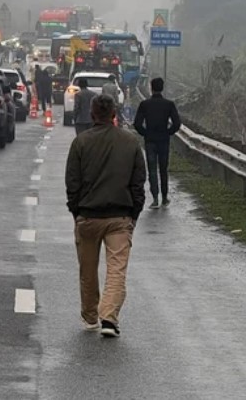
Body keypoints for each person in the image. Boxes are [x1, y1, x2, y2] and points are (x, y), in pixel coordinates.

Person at [65, 95, 146, 338]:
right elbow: (138, 183)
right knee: (116, 270)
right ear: (114, 114)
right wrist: (134, 213)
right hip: (120, 217)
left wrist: (76, 211)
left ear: (92, 114)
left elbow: (72, 182)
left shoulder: (80, 143)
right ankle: (109, 317)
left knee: (87, 270)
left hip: (88, 217)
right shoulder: (130, 142)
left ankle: (90, 316)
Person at [133, 77, 181, 209]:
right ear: (162, 88)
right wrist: (168, 132)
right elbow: (177, 123)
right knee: (163, 169)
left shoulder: (145, 104)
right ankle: (165, 197)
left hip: (150, 141)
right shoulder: (169, 104)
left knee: (152, 170)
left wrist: (145, 133)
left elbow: (137, 124)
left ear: (151, 88)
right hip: (164, 140)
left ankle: (155, 199)